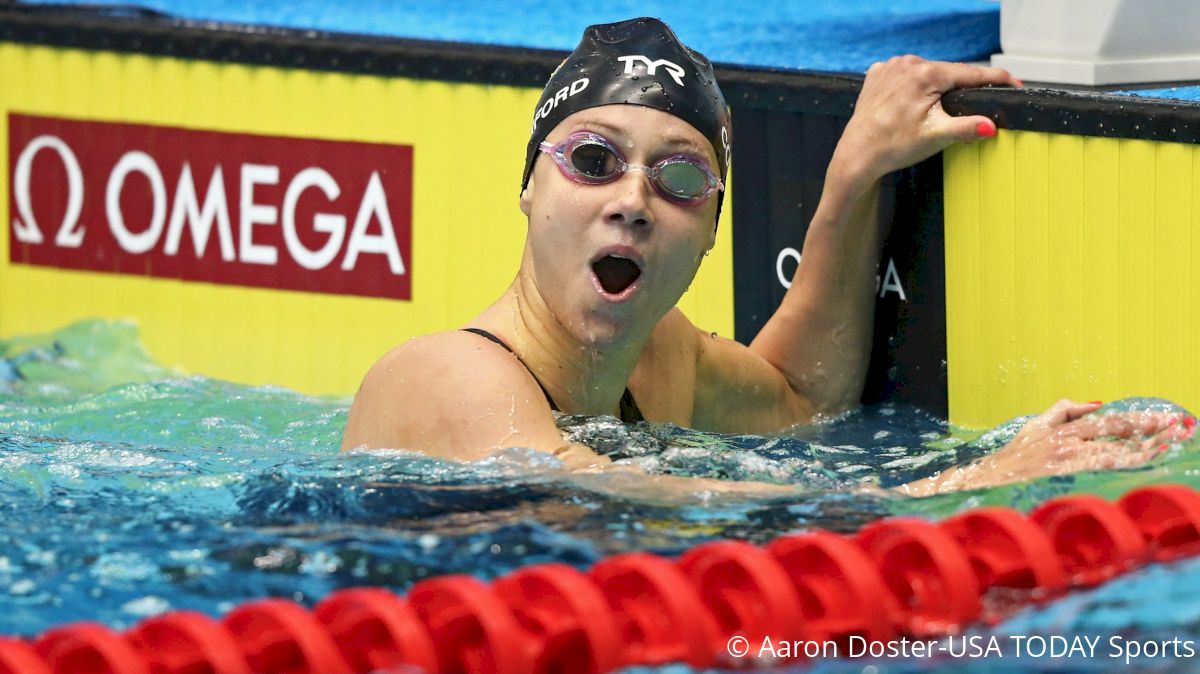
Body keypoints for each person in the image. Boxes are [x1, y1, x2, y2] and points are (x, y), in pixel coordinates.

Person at [342, 17, 1192, 497]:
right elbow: (595, 494)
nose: (632, 201)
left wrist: (852, 178)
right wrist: (960, 484)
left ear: (712, 229)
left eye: (680, 179)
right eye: (594, 161)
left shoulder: (656, 358)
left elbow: (801, 398)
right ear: (529, 187)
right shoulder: (451, 377)